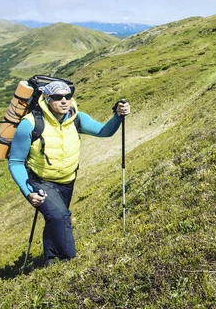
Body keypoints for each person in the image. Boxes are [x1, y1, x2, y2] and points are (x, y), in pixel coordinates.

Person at [8, 80, 130, 266]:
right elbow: (16, 162)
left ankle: (50, 261)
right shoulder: (31, 123)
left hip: (67, 181)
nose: (64, 101)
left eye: (68, 96)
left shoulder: (76, 118)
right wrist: (28, 192)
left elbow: (104, 131)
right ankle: (68, 262)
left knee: (54, 219)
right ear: (47, 99)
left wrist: (117, 116)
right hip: (40, 182)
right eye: (58, 97)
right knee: (59, 216)